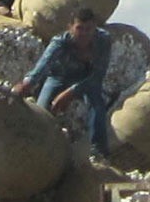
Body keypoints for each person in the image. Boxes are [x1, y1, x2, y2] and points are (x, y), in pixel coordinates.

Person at [12, 8, 111, 157]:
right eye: (79, 28)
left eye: (88, 29)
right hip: (59, 76)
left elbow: (98, 75)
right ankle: (38, 146)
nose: (84, 34)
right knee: (42, 110)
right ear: (70, 27)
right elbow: (43, 65)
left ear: (95, 28)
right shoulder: (60, 42)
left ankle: (98, 151)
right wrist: (27, 84)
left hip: (87, 79)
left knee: (97, 105)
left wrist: (71, 92)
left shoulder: (103, 40)